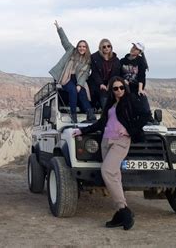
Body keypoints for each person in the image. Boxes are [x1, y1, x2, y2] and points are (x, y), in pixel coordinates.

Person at [72, 76, 151, 230]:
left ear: (124, 88)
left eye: (121, 87)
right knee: (114, 176)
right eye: (115, 88)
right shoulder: (111, 103)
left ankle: (124, 211)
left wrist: (131, 129)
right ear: (111, 90)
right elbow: (102, 122)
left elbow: (146, 114)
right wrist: (83, 130)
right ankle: (119, 215)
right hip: (106, 142)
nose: (119, 90)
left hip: (121, 141)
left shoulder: (130, 99)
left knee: (107, 171)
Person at [49, 20, 95, 123]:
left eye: (84, 47)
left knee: (82, 92)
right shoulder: (71, 50)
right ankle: (73, 116)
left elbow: (85, 74)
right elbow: (64, 41)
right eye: (80, 46)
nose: (81, 48)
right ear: (77, 47)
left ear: (86, 48)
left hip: (78, 79)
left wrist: (79, 84)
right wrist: (59, 28)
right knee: (73, 91)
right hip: (67, 77)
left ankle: (90, 115)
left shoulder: (87, 59)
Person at [120, 42, 152, 117]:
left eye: (136, 49)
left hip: (135, 86)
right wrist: (123, 80)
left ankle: (148, 117)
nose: (133, 49)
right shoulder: (122, 61)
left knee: (142, 96)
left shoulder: (141, 62)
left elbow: (141, 76)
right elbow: (118, 73)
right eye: (133, 47)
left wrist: (140, 89)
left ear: (139, 52)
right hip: (123, 86)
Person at [88, 39, 121, 111]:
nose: (106, 48)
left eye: (108, 46)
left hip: (110, 82)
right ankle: (105, 112)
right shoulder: (94, 57)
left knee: (111, 92)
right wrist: (100, 83)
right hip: (96, 82)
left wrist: (110, 84)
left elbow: (116, 74)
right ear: (100, 48)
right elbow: (95, 72)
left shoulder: (116, 60)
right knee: (102, 92)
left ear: (111, 47)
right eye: (104, 47)